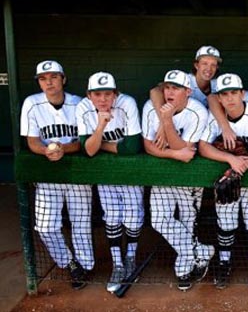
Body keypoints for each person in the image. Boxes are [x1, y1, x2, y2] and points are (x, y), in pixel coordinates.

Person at [198, 73, 248, 291]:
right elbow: (203, 147)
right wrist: (230, 158)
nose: (230, 98)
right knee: (225, 222)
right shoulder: (216, 118)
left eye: (234, 92)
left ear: (243, 94)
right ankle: (224, 263)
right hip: (226, 178)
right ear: (220, 99)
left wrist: (244, 163)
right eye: (225, 94)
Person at [20, 60, 93, 290]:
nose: (48, 82)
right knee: (44, 226)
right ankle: (69, 262)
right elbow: (31, 141)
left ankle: (84, 267)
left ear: (63, 79)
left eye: (53, 77)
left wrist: (63, 149)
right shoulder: (32, 104)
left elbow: (84, 142)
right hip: (49, 172)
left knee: (80, 224)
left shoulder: (80, 103)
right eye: (43, 78)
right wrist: (45, 150)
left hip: (76, 172)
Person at [141, 69, 215, 291]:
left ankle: (183, 269)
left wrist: (167, 123)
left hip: (188, 177)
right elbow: (148, 147)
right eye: (167, 87)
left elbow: (185, 149)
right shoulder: (149, 108)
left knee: (187, 221)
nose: (170, 92)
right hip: (162, 174)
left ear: (188, 92)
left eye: (176, 88)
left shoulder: (198, 111)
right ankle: (201, 251)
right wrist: (173, 154)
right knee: (159, 220)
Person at [75, 72, 144, 293]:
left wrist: (99, 145)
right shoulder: (83, 108)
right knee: (112, 217)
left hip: (131, 170)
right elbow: (88, 152)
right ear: (89, 95)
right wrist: (100, 128)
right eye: (97, 94)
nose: (103, 99)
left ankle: (131, 257)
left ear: (116, 94)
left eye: (107, 94)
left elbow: (132, 147)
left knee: (133, 219)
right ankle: (117, 263)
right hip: (106, 172)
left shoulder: (128, 103)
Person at [149, 45, 221, 147]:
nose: (209, 68)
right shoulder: (185, 79)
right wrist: (163, 123)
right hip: (183, 130)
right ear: (196, 65)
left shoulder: (217, 84)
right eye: (204, 63)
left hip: (205, 131)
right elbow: (155, 91)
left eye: (213, 65)